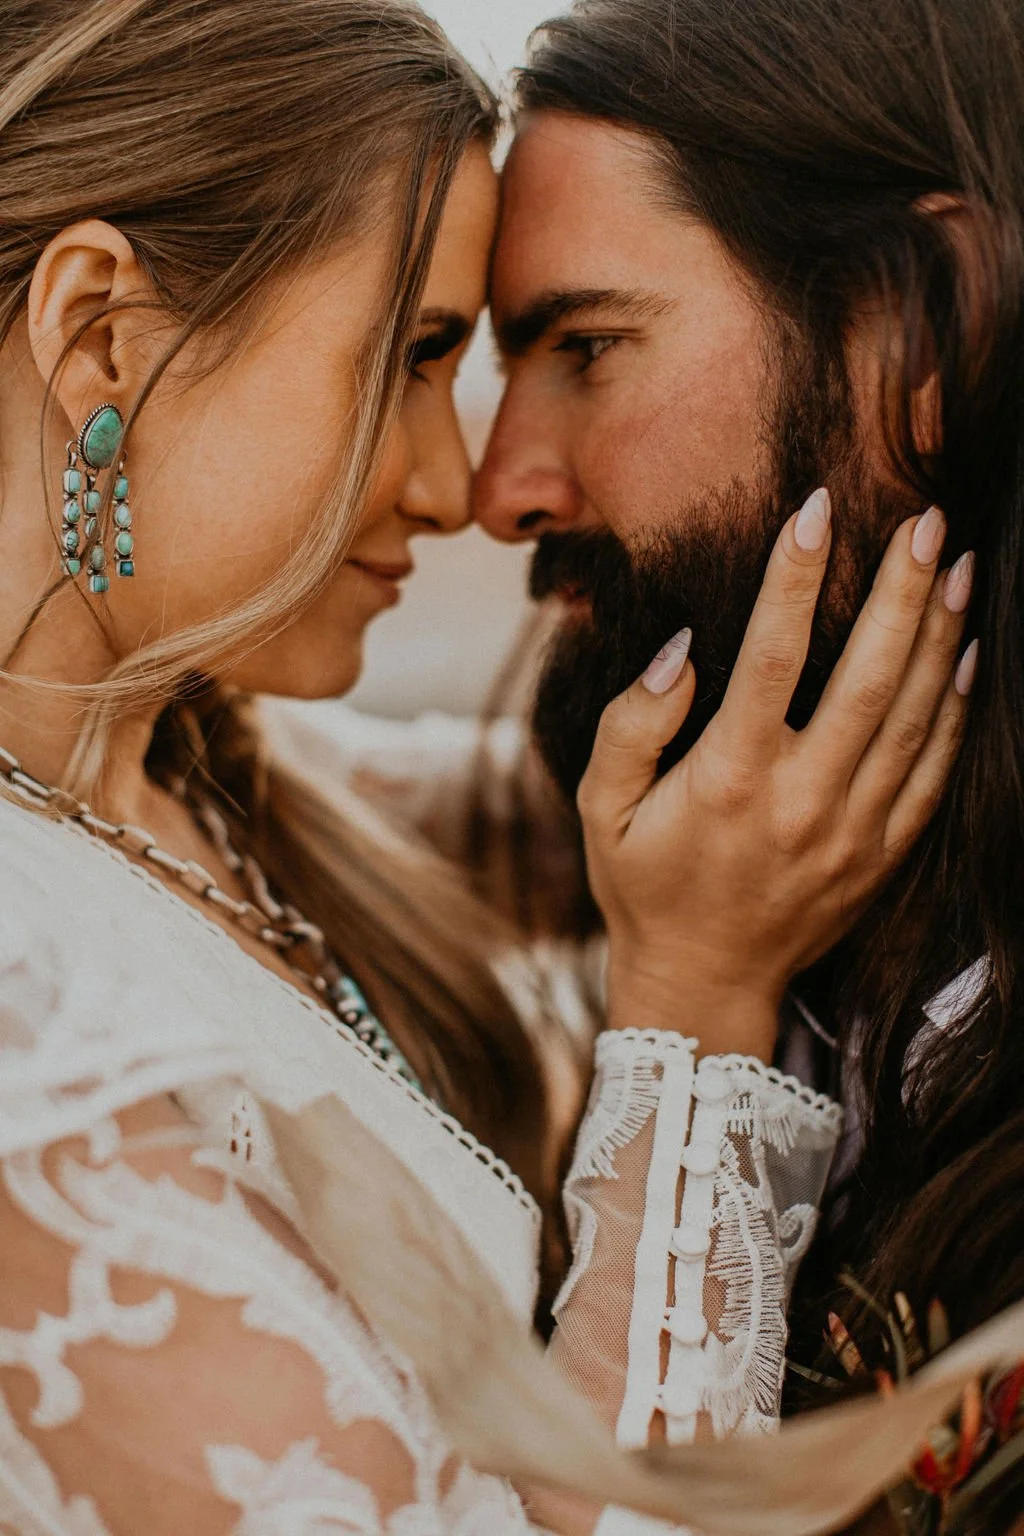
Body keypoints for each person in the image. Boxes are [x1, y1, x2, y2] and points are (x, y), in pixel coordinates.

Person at [0, 1, 989, 1533]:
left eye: (576, 349)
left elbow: (615, 816)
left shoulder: (190, 783)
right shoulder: (27, 1015)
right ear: (104, 340)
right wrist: (702, 1018)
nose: (464, 486)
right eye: (414, 357)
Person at [470, 0, 1024, 1527]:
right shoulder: (711, 850)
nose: (496, 489)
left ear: (926, 330)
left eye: (588, 347)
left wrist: (694, 1011)